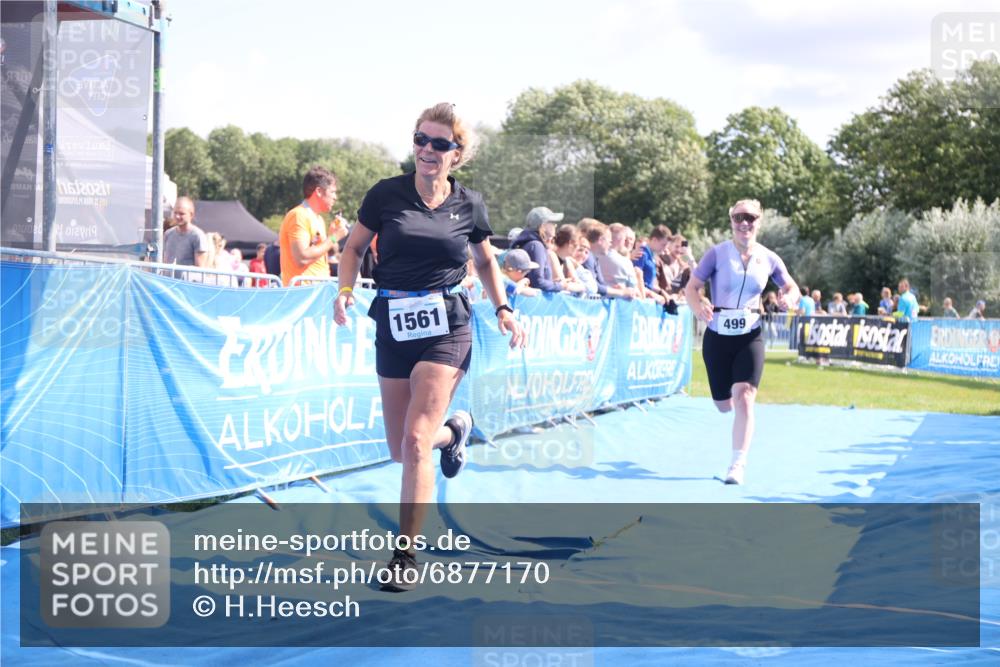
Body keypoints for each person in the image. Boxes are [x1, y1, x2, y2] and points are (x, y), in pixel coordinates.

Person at [333, 103, 526, 592]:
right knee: (403, 449)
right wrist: (345, 289)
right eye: (421, 139)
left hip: (447, 325)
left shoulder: (470, 205)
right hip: (394, 323)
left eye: (440, 144)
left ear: (456, 155)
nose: (427, 150)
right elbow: (353, 248)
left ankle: (405, 555)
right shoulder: (385, 195)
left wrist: (503, 308)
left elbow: (485, 262)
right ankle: (455, 432)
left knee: (416, 441)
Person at [684, 199, 800, 486]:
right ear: (731, 220)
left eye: (750, 217)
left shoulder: (769, 258)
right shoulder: (716, 254)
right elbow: (692, 288)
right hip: (718, 337)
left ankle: (737, 464)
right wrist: (698, 307)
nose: (744, 223)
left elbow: (791, 286)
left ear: (759, 221)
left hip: (750, 333)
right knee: (724, 405)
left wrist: (790, 298)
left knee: (745, 396)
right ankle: (732, 408)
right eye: (738, 217)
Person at [279, 166, 341, 286]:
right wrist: (334, 238)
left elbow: (322, 251)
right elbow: (302, 258)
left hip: (317, 292)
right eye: (332, 192)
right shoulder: (298, 215)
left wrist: (332, 235)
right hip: (302, 294)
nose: (335, 197)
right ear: (318, 191)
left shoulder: (319, 219)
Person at [510, 207, 570, 293]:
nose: (555, 226)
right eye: (553, 223)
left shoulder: (530, 244)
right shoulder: (536, 246)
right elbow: (537, 282)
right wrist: (560, 286)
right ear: (543, 225)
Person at [163, 196, 210, 273]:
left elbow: (200, 268)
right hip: (168, 282)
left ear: (191, 214)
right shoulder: (168, 234)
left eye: (181, 214)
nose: (177, 216)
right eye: (175, 213)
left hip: (186, 283)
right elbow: (165, 260)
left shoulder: (198, 236)